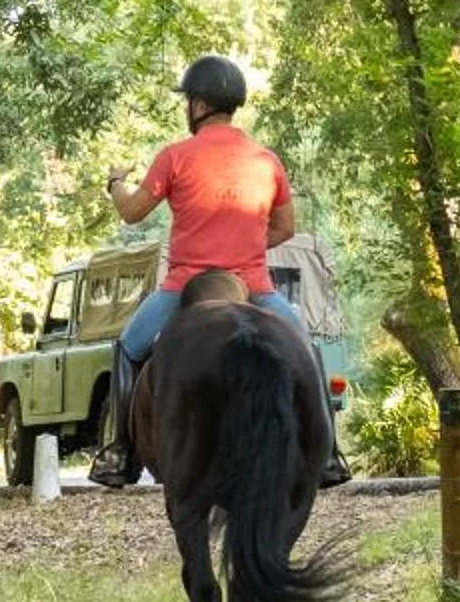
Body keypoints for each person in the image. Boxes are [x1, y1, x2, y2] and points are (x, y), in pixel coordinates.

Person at [88, 54, 344, 489]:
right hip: (254, 287)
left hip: (184, 287)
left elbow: (132, 212)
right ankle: (327, 454)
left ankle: (119, 452)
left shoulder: (175, 157)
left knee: (129, 347)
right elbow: (285, 227)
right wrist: (242, 244)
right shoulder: (267, 161)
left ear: (200, 105)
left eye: (188, 100)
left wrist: (115, 183)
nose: (187, 108)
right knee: (305, 344)